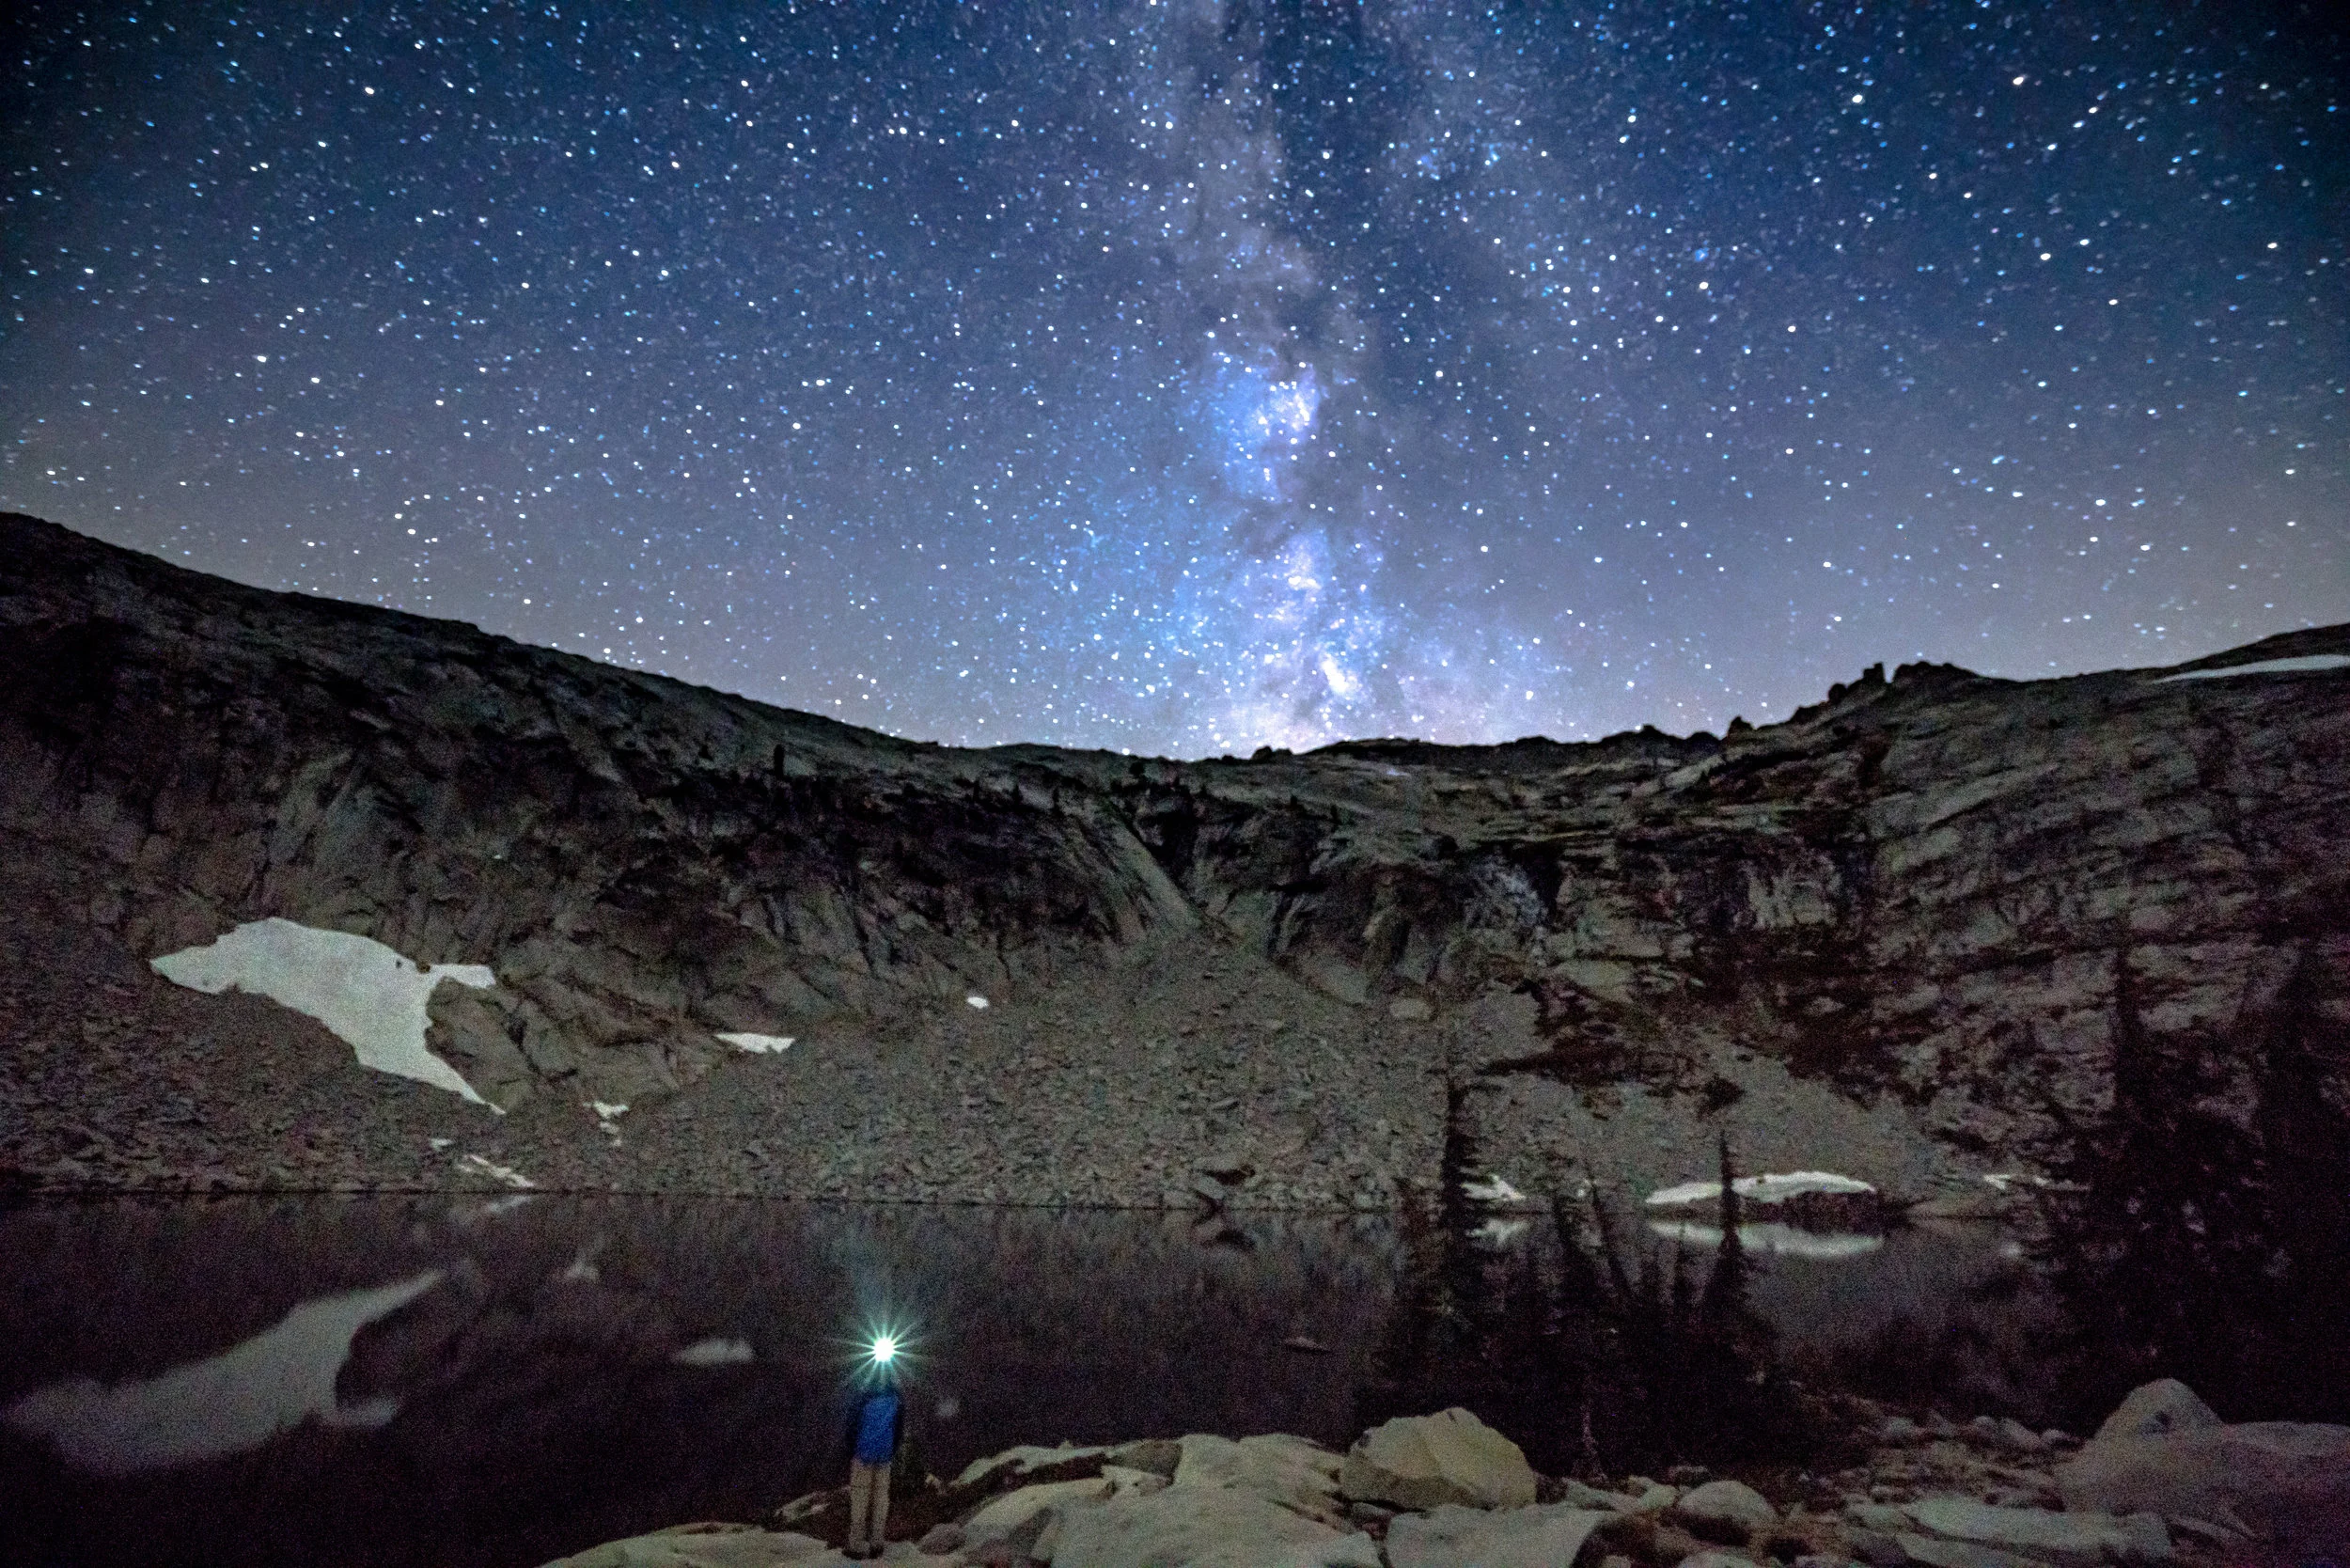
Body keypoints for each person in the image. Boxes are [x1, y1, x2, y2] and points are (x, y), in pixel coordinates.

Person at [842, 1364, 902, 1560]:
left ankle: (856, 1546)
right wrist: (891, 1451)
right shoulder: (896, 1399)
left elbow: (851, 1427)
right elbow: (899, 1431)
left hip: (863, 1456)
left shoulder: (863, 1396)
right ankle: (877, 1543)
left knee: (860, 1500)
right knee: (880, 1500)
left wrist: (852, 1451)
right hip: (884, 1457)